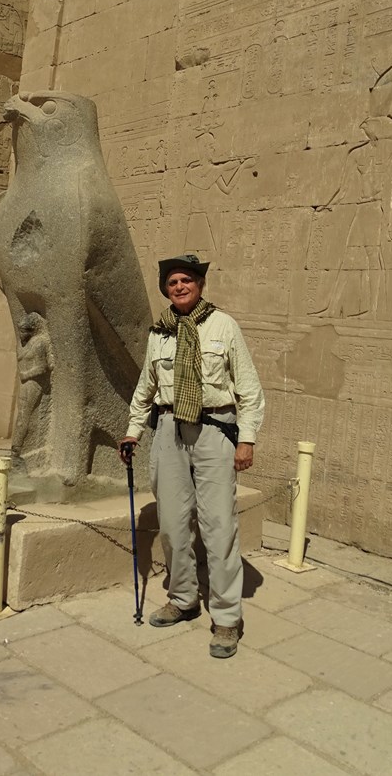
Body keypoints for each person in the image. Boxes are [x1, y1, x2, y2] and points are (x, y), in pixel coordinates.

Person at [119, 254, 265, 658]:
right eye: (172, 282)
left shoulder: (224, 326)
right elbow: (145, 387)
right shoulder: (159, 333)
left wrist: (246, 439)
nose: (179, 287)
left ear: (200, 284)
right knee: (171, 523)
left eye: (186, 280)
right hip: (168, 430)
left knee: (218, 527)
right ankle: (183, 598)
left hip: (214, 430)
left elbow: (249, 389)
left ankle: (226, 617)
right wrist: (133, 431)